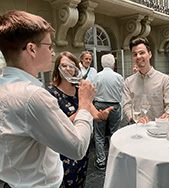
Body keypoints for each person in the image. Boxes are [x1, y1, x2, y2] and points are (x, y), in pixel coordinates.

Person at [0, 10, 96, 187]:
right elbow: (77, 148)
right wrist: (85, 103)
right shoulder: (32, 96)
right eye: (49, 46)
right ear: (32, 49)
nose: (53, 53)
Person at [47, 51, 112, 187]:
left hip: (82, 145)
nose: (68, 69)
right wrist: (81, 108)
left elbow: (94, 114)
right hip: (64, 150)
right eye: (63, 66)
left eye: (71, 66)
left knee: (81, 181)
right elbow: (58, 124)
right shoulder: (51, 93)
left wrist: (102, 115)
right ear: (57, 69)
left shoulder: (79, 90)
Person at [123, 37, 169, 123]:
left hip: (159, 128)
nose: (138, 56)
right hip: (137, 129)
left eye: (142, 53)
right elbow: (127, 106)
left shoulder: (164, 79)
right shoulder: (128, 82)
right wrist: (133, 118)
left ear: (150, 54)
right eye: (135, 54)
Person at [93, 53, 124, 170]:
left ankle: (101, 161)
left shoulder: (96, 76)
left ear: (102, 64)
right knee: (114, 133)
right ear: (113, 64)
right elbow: (124, 90)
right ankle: (113, 159)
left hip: (99, 105)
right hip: (114, 106)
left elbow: (92, 90)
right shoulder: (118, 77)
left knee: (99, 134)